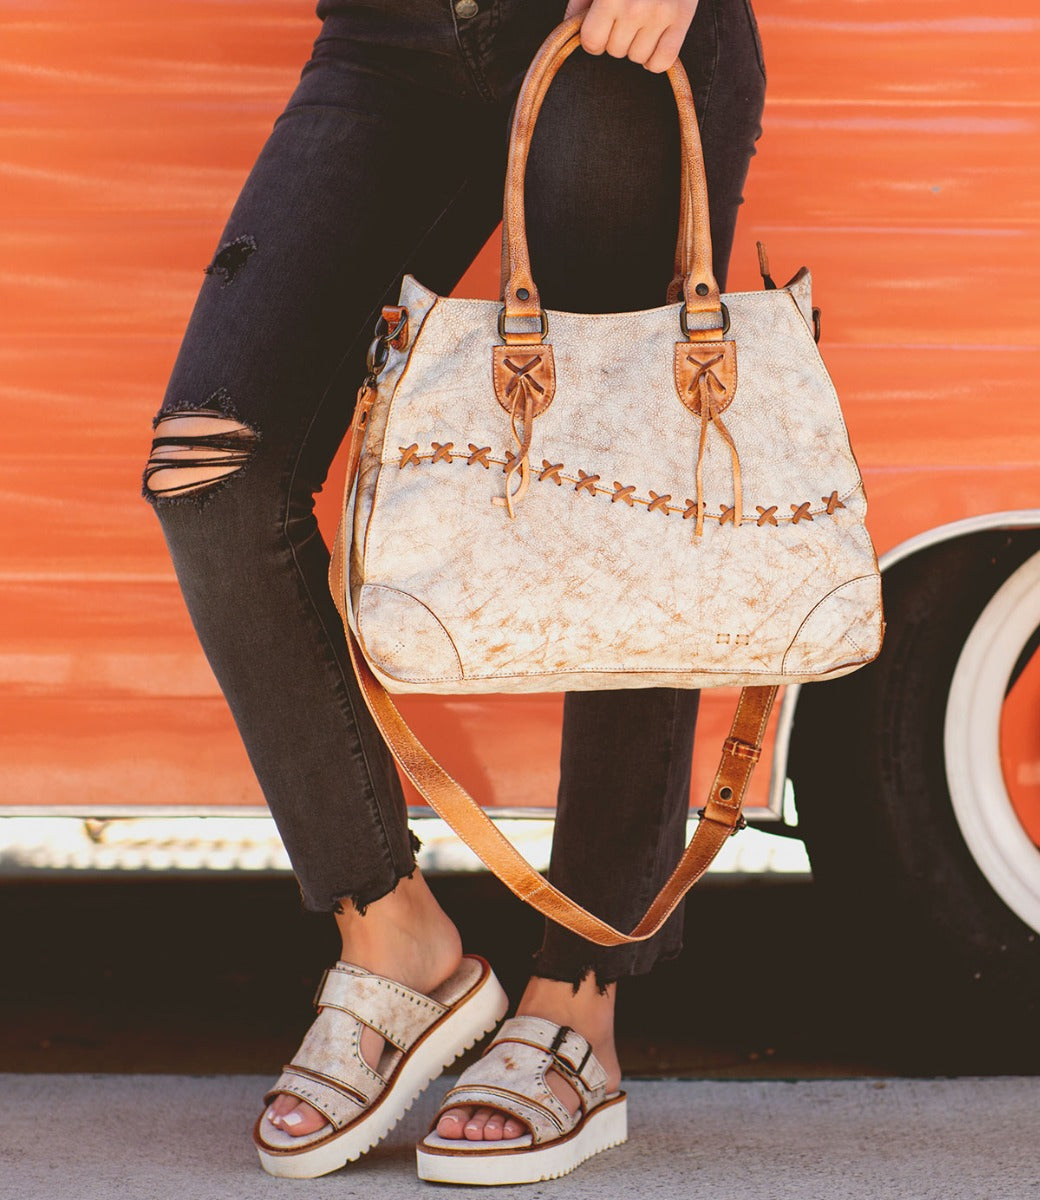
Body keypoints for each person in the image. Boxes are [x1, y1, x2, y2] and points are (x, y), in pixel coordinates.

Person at [143, 0, 766, 1184]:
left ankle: (577, 1003)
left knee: (615, 476)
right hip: (387, 38)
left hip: (604, 31)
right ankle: (394, 935)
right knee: (212, 468)